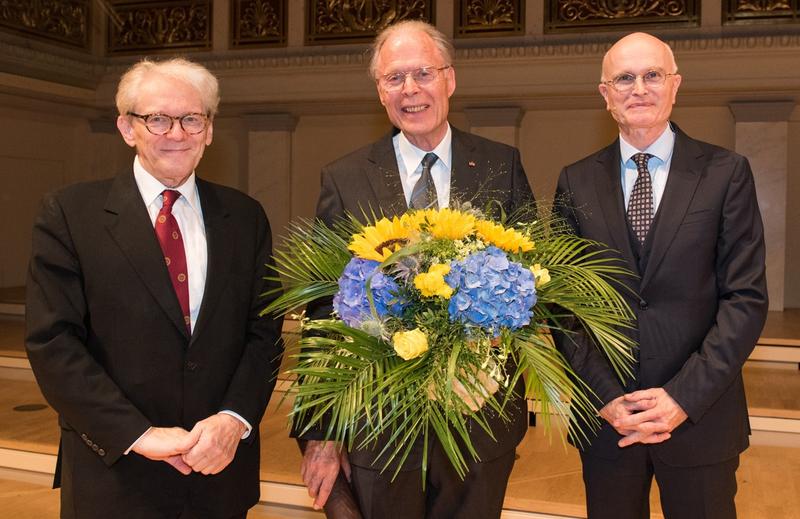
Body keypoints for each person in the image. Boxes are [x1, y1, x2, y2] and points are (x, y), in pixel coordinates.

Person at [25, 57, 284, 519]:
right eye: (157, 119)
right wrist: (138, 435)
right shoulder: (70, 214)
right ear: (127, 128)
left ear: (208, 129)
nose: (176, 133)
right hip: (115, 475)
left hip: (218, 472)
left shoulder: (246, 218)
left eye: (191, 119)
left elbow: (264, 333)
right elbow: (53, 344)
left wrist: (233, 420)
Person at [298, 20, 535, 519]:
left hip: (480, 421)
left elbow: (531, 281)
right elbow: (324, 311)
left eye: (423, 73)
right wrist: (320, 432)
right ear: (380, 92)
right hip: (379, 424)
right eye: (394, 78)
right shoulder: (343, 178)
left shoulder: (500, 164)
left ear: (449, 79)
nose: (411, 90)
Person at [554, 32, 768, 519]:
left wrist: (681, 397)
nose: (639, 88)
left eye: (653, 75)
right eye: (624, 78)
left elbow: (745, 300)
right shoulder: (575, 180)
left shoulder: (725, 172)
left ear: (676, 86)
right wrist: (606, 396)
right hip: (610, 420)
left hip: (700, 418)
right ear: (605, 95)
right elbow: (564, 306)